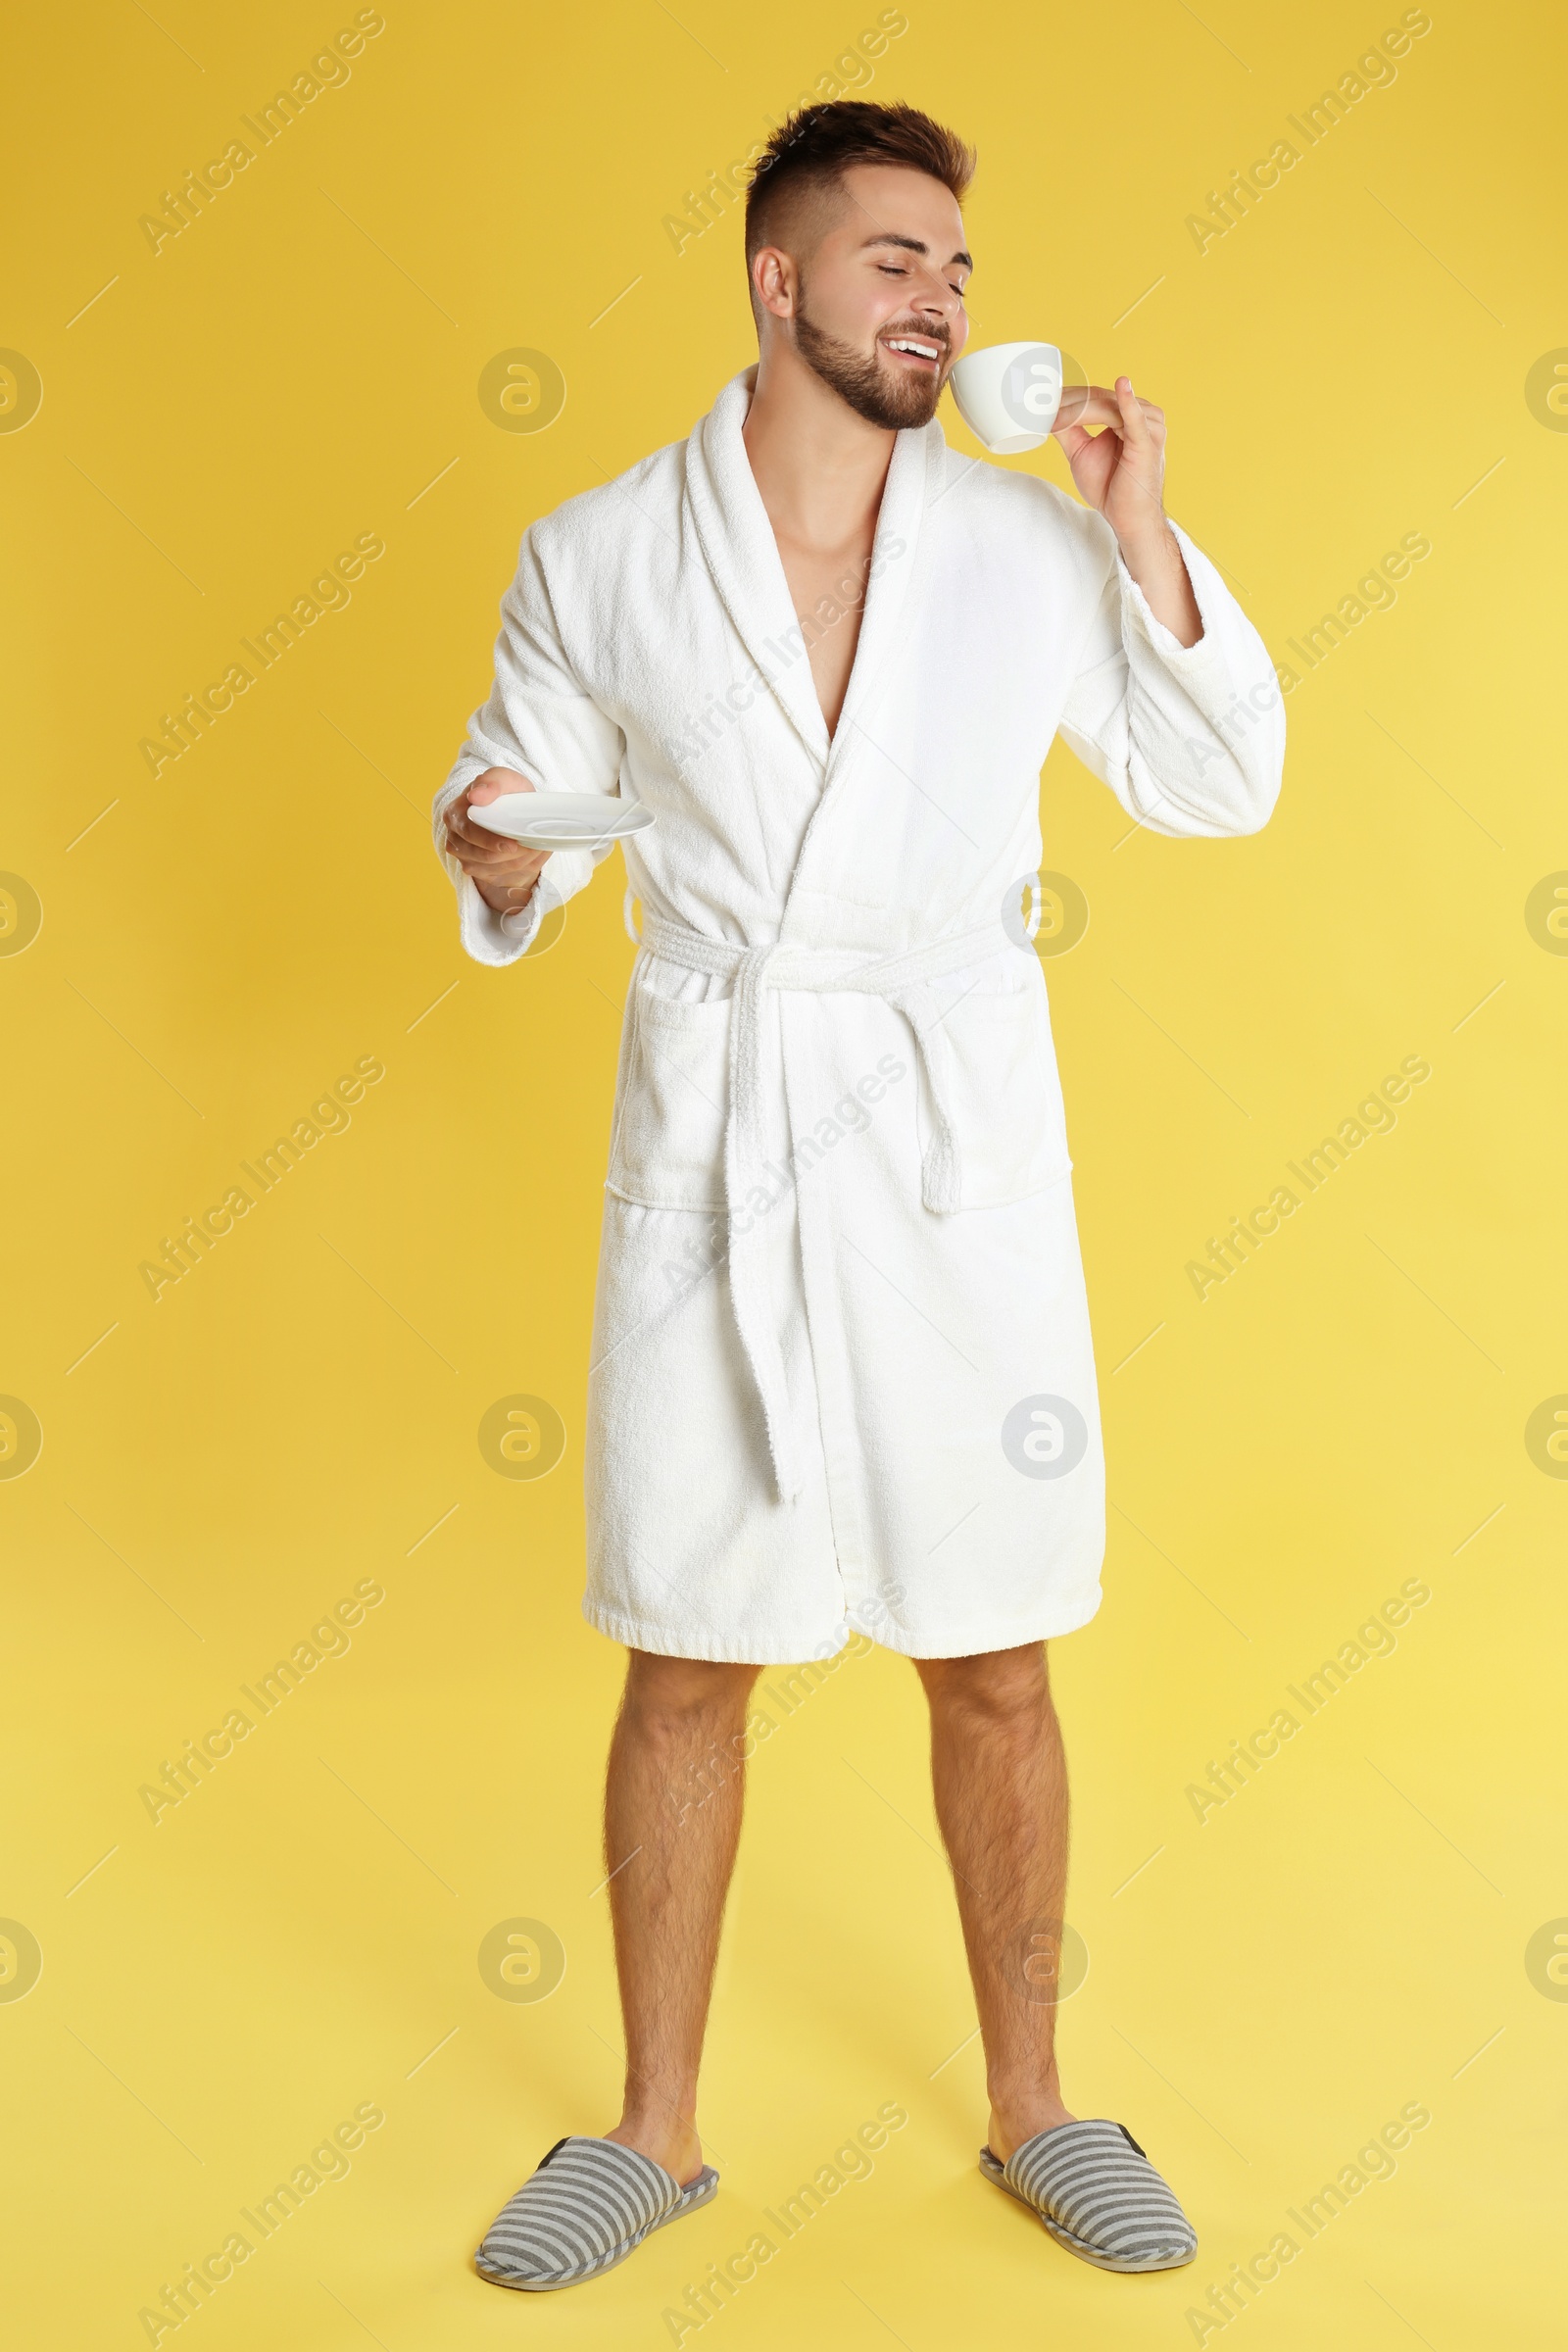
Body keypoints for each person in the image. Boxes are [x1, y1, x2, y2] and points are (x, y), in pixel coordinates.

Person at [433, 99, 1283, 2292]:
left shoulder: (1019, 549)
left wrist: (1138, 531)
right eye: (893, 258)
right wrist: (503, 852)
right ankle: (651, 2130)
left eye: (956, 272)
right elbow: (521, 802)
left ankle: (1033, 2104)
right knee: (685, 1652)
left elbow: (1216, 780)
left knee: (990, 1652)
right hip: (714, 1131)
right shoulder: (599, 549)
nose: (938, 298)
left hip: (941, 1142)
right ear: (776, 279)